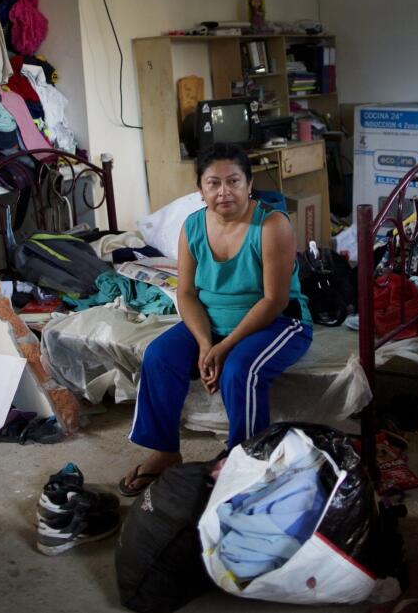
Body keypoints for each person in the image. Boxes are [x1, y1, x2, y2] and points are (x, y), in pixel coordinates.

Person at [118, 143, 313, 496]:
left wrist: (224, 346)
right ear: (200, 190)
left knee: (241, 369)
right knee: (160, 355)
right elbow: (187, 294)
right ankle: (164, 451)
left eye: (234, 181)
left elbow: (275, 299)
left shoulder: (271, 225)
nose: (224, 191)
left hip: (278, 322)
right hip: (211, 322)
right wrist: (206, 343)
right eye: (213, 183)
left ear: (249, 184)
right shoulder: (192, 226)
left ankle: (245, 460)